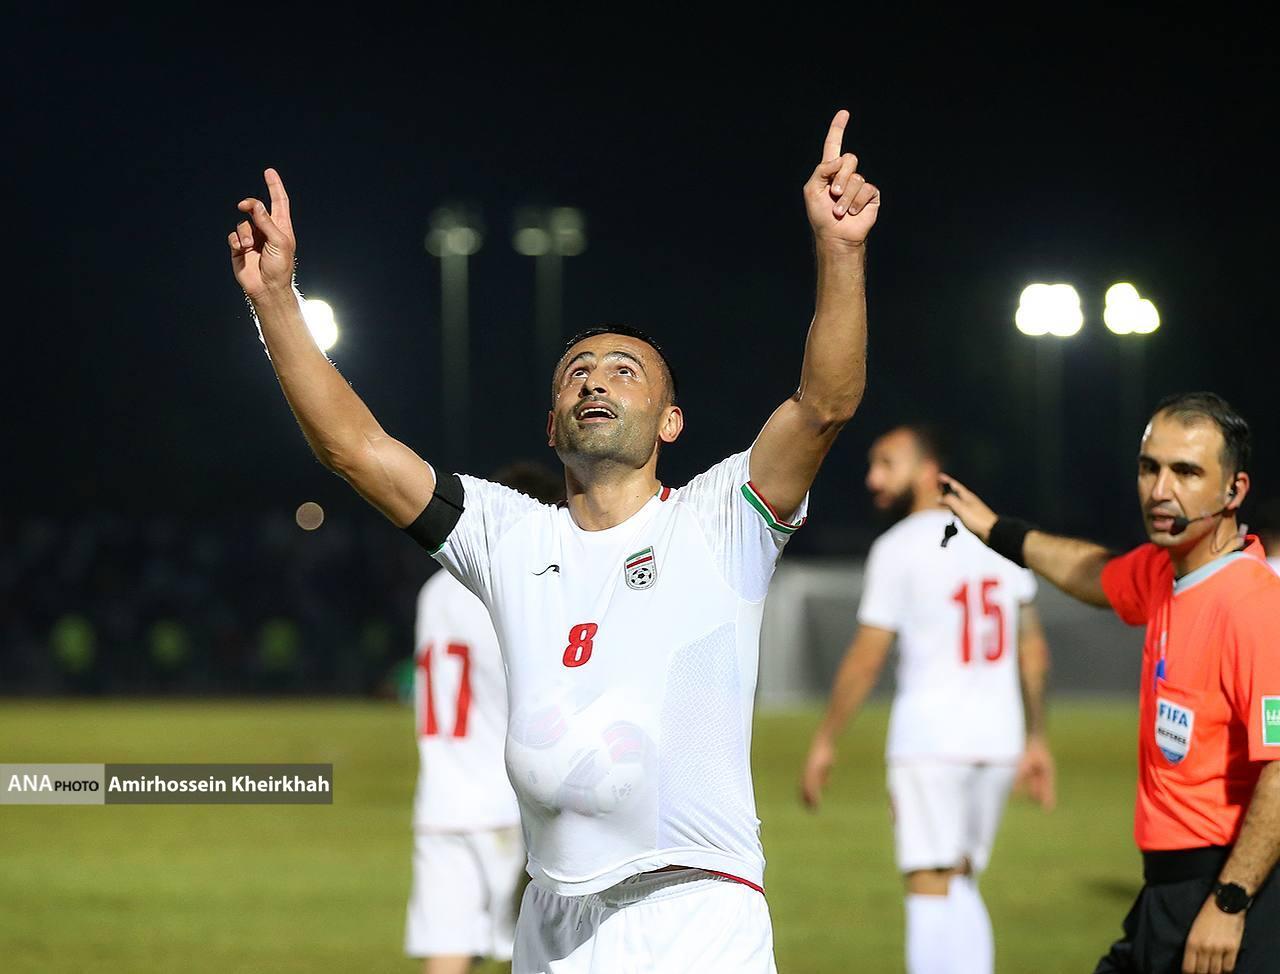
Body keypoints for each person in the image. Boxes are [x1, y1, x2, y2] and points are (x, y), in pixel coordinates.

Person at [228, 109, 880, 973]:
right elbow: (356, 450)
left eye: (624, 371)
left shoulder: (723, 517)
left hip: (694, 914)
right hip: (549, 926)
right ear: (551, 421)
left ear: (671, 420)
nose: (596, 381)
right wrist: (277, 302)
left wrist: (840, 255)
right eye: (577, 372)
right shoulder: (506, 534)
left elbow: (824, 404)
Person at [939, 392, 1280, 974]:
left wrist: (1231, 900)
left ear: (1234, 491)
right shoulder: (1166, 572)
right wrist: (998, 531)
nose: (1159, 489)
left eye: (1186, 472)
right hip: (1167, 890)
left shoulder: (1253, 605)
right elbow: (1092, 572)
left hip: (1227, 889)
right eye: (1150, 467)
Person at [800, 425, 1054, 974]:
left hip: (931, 741)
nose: (873, 477)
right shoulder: (1001, 540)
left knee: (927, 883)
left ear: (925, 469)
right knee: (959, 877)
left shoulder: (899, 546)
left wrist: (824, 741)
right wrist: (1036, 738)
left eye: (885, 462)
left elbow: (867, 657)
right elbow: (1033, 650)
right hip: (999, 738)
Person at [405, 463, 563, 974]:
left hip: (442, 801)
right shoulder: (513, 590)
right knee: (556, 953)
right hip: (508, 802)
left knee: (447, 953)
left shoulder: (434, 590)